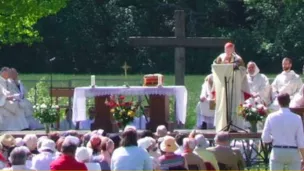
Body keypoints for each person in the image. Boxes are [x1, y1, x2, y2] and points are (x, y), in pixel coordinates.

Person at [213, 42, 251, 132]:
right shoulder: (220, 57)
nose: (228, 51)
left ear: (233, 49)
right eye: (227, 49)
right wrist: (223, 67)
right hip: (223, 87)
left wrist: (236, 68)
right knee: (223, 104)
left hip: (235, 86)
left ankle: (236, 125)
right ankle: (223, 124)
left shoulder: (238, 59)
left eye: (230, 49)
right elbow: (214, 68)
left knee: (236, 104)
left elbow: (243, 71)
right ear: (224, 49)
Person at [262, 93, 304, 170]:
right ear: (289, 101)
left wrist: (272, 138)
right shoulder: (297, 118)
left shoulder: (271, 117)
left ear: (278, 102)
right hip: (293, 151)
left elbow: (265, 138)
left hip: (277, 150)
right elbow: (301, 141)